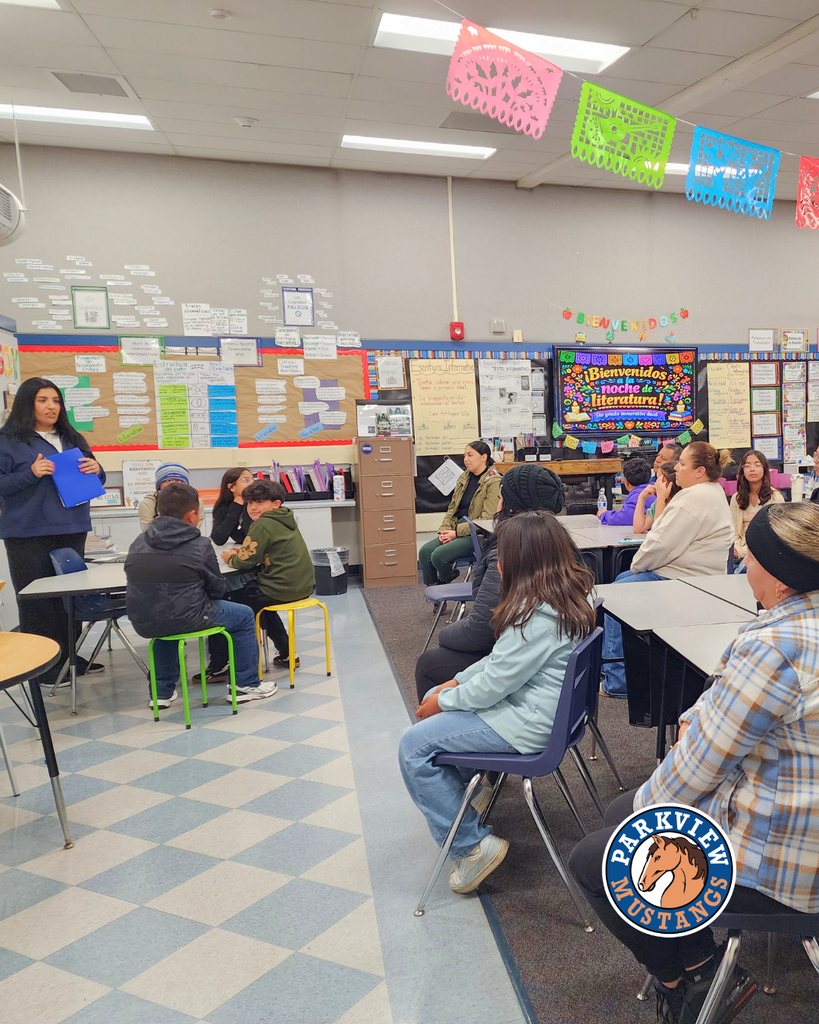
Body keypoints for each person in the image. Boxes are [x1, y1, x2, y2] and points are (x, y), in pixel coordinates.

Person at [569, 502, 819, 1024]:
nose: (738, 557)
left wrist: (645, 807)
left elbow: (696, 769)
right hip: (799, 814)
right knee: (625, 815)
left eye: (747, 552)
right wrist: (699, 719)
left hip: (789, 859)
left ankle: (690, 978)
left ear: (775, 573)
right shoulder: (793, 628)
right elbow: (718, 708)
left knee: (597, 859)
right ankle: (699, 960)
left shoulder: (777, 648)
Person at [400, 510, 596, 895]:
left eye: (502, 555)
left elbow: (495, 685)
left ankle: (471, 847)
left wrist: (446, 701)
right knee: (432, 698)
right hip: (544, 712)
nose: (497, 563)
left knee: (413, 747)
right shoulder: (563, 596)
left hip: (527, 723)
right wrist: (455, 682)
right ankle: (463, 807)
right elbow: (498, 664)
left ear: (523, 561)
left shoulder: (536, 616)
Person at [414, 463, 566, 704]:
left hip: (520, 662)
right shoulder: (561, 544)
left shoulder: (509, 551)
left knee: (429, 663)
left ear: (511, 505)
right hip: (544, 658)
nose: (498, 503)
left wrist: (445, 634)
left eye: (501, 496)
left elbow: (481, 631)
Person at [601, 442, 733, 697]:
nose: (676, 469)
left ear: (700, 471)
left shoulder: (693, 498)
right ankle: (623, 674)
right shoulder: (711, 491)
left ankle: (616, 681)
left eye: (683, 464)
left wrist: (637, 567)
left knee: (614, 595)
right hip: (698, 579)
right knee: (621, 579)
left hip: (685, 583)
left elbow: (658, 545)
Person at [125, 482, 276, 706]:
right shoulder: (199, 544)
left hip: (144, 620)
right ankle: (246, 685)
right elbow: (217, 588)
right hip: (190, 616)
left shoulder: (139, 541)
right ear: (192, 514)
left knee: (164, 628)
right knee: (244, 615)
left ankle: (161, 695)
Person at [0, 377, 106, 682]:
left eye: (56, 401)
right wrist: (30, 473)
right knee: (38, 601)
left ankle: (70, 658)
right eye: (42, 400)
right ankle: (42, 665)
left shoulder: (72, 438)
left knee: (69, 597)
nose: (51, 407)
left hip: (72, 526)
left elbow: (95, 477)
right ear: (27, 404)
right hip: (27, 530)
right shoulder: (8, 440)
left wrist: (98, 471)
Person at [219, 479, 315, 673]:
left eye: (260, 502)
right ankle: (287, 652)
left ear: (275, 504)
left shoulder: (262, 525)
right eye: (250, 503)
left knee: (232, 602)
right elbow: (267, 552)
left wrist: (231, 558)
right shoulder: (285, 519)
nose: (253, 507)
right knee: (260, 604)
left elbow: (244, 562)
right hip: (305, 585)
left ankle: (228, 663)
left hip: (281, 587)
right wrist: (245, 552)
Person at [418, 441, 501, 585]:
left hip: (479, 534)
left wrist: (456, 533)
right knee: (425, 552)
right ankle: (433, 589)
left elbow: (486, 520)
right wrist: (445, 530)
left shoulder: (493, 481)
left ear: (484, 457)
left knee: (438, 556)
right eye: (464, 456)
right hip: (457, 528)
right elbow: (452, 508)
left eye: (470, 455)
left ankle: (445, 582)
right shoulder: (465, 477)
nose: (465, 459)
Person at [729, 449, 784, 570]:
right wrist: (735, 549)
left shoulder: (775, 498)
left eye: (757, 465)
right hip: (740, 547)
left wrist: (741, 552)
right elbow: (733, 530)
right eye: (747, 466)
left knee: (743, 570)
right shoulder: (736, 498)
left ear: (764, 469)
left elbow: (773, 536)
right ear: (742, 471)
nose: (752, 469)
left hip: (763, 550)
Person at [138, 462, 204, 531]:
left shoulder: (196, 503)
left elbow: (194, 532)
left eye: (180, 481)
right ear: (159, 486)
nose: (174, 485)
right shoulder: (148, 504)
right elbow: (149, 534)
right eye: (168, 481)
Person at [598, 456, 652, 527]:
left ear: (626, 481)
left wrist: (604, 514)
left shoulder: (638, 495)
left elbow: (624, 518)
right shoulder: (655, 491)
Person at [211, 467, 255, 545]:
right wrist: (235, 509)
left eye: (253, 479)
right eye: (246, 480)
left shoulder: (259, 504)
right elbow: (218, 539)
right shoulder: (223, 506)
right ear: (232, 487)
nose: (252, 483)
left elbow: (252, 536)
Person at [632, 462, 680, 535]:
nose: (655, 484)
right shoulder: (658, 503)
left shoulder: (677, 502)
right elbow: (639, 528)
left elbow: (659, 531)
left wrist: (661, 498)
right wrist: (641, 497)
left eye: (660, 481)